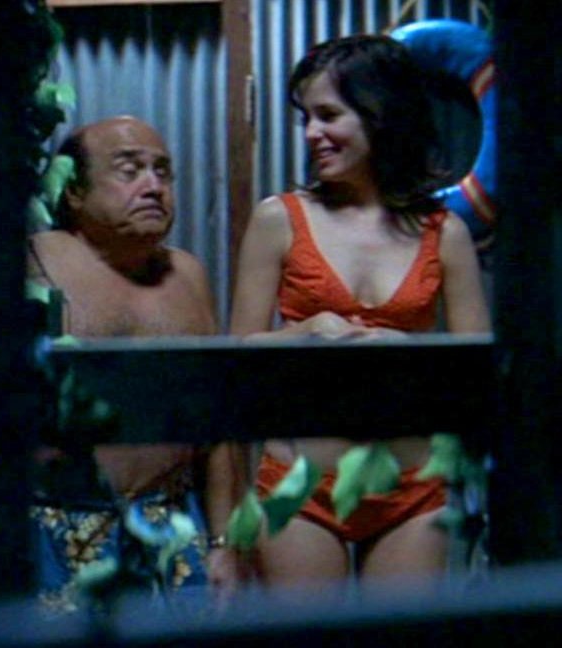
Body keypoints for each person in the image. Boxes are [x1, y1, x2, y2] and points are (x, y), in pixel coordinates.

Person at [228, 35, 491, 596]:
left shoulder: (445, 233)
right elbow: (234, 358)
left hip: (411, 487)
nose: (311, 134)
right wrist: (306, 331)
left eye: (328, 116)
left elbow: (477, 374)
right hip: (301, 486)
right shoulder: (279, 219)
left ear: (380, 114)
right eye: (306, 118)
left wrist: (408, 351)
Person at [27, 116, 250, 611]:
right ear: (74, 192)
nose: (153, 186)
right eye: (129, 170)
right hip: (54, 523)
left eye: (163, 172)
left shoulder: (187, 275)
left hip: (170, 522)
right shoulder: (34, 261)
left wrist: (223, 543)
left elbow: (215, 424)